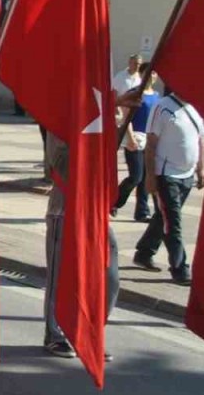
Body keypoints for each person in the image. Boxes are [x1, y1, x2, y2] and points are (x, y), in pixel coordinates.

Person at [42, 132, 119, 360]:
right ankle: (54, 334)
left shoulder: (101, 115)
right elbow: (59, 165)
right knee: (59, 278)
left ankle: (89, 333)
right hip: (63, 210)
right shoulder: (59, 122)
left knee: (109, 276)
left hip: (95, 212)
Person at [132, 89, 204, 285]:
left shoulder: (196, 107)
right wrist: (150, 176)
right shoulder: (162, 106)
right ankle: (180, 268)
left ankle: (144, 252)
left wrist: (201, 169)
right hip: (166, 175)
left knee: (163, 217)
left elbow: (200, 140)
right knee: (173, 223)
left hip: (187, 176)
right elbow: (151, 144)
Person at [113, 64, 158, 221]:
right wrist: (130, 138)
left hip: (150, 139)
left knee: (146, 177)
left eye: (154, 73)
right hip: (135, 138)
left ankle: (142, 211)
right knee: (136, 176)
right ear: (142, 74)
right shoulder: (134, 93)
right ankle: (114, 202)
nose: (152, 76)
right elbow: (127, 117)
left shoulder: (157, 96)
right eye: (149, 73)